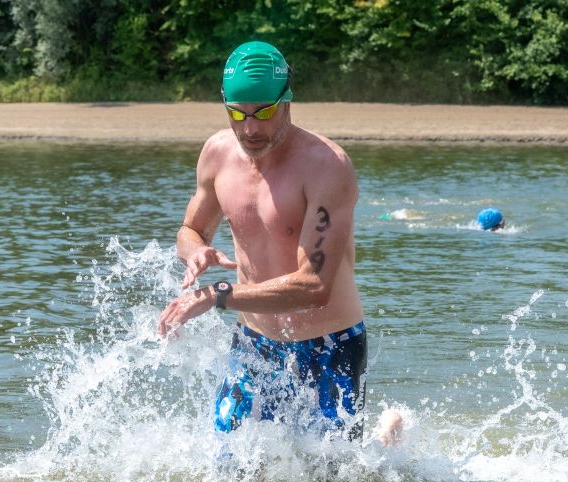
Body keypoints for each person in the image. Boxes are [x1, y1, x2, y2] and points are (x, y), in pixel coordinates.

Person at [157, 41, 401, 445]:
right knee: (227, 467)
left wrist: (217, 295)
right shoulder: (217, 154)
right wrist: (196, 249)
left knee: (334, 478)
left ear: (287, 101)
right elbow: (190, 229)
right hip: (255, 344)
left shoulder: (326, 166)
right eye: (238, 113)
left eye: (264, 112)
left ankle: (386, 439)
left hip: (330, 344)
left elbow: (314, 286)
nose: (250, 129)